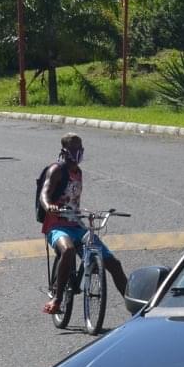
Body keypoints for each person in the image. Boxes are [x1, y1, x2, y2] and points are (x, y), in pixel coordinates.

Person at [39, 133, 126, 315]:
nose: (78, 153)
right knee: (68, 250)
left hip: (77, 226)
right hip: (57, 226)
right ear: (65, 151)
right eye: (74, 149)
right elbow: (44, 194)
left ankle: (137, 308)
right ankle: (57, 299)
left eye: (80, 149)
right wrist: (49, 207)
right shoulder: (56, 170)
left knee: (114, 264)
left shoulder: (78, 172)